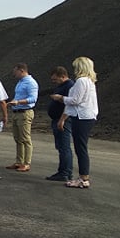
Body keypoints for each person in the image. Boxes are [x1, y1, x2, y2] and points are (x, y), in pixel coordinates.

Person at [51, 56, 98, 189]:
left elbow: (75, 100)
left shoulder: (81, 81)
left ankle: (83, 178)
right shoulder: (89, 81)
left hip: (82, 117)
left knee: (80, 147)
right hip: (86, 116)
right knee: (80, 147)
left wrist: (61, 98)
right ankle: (83, 177)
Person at [5, 63, 39, 172]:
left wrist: (18, 102)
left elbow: (33, 98)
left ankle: (26, 163)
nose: (14, 74)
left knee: (25, 138)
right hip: (16, 112)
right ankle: (19, 161)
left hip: (25, 112)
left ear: (22, 70)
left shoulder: (31, 83)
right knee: (18, 138)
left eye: (15, 71)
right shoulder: (20, 82)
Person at [46, 66, 74, 181]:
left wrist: (62, 119)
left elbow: (70, 104)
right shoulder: (62, 86)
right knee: (61, 146)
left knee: (64, 147)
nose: (54, 82)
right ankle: (64, 171)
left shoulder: (69, 86)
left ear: (62, 76)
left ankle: (65, 172)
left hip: (63, 120)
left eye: (55, 79)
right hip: (58, 119)